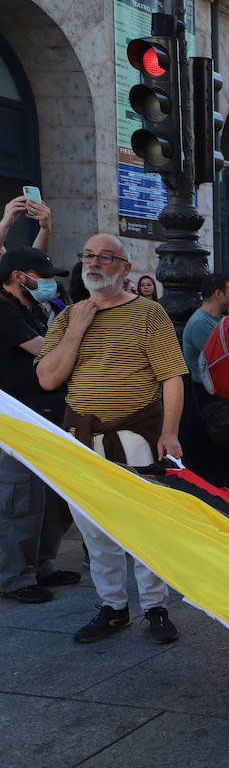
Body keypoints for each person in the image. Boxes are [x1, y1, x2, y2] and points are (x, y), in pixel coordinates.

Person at [35, 234, 187, 643]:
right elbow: (48, 377)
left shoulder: (148, 314)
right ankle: (113, 608)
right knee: (94, 530)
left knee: (146, 529)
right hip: (80, 440)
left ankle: (155, 607)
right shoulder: (67, 317)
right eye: (88, 255)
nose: (94, 263)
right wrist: (77, 328)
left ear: (124, 268)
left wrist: (169, 433)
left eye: (106, 257)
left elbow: (171, 377)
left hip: (135, 436)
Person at [0, 246, 79, 604]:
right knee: (20, 500)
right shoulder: (2, 309)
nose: (48, 284)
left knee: (48, 497)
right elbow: (44, 350)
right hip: (18, 420)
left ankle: (43, 565)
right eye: (42, 277)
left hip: (45, 415)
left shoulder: (28, 307)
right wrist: (77, 334)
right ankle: (14, 577)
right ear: (19, 277)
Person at [179, 272, 229, 489]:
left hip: (220, 400)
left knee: (226, 462)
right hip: (209, 402)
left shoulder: (218, 320)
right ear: (218, 294)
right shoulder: (200, 323)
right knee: (214, 465)